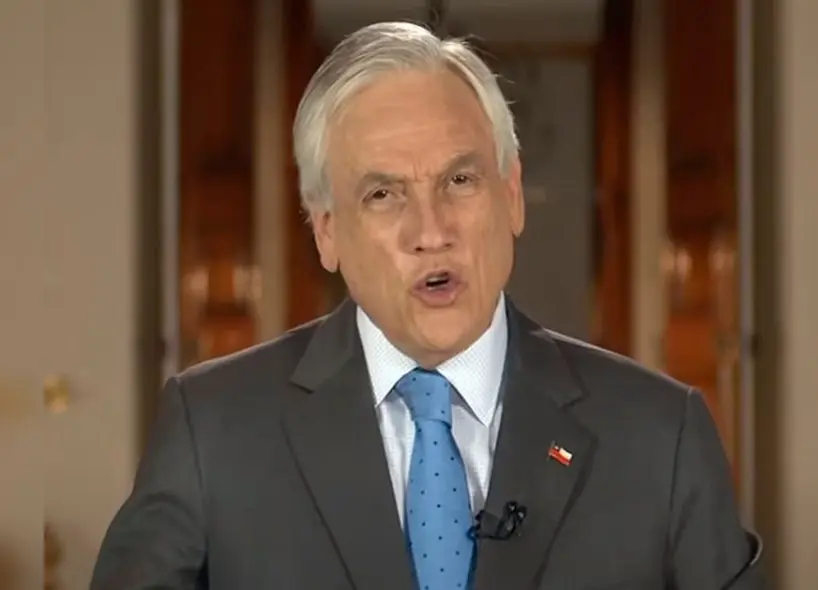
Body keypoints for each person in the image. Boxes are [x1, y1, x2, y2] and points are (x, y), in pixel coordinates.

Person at [91, 21, 767, 590]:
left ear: (512, 195)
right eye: (383, 195)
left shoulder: (660, 435)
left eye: (460, 180)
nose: (431, 231)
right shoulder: (212, 431)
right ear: (326, 231)